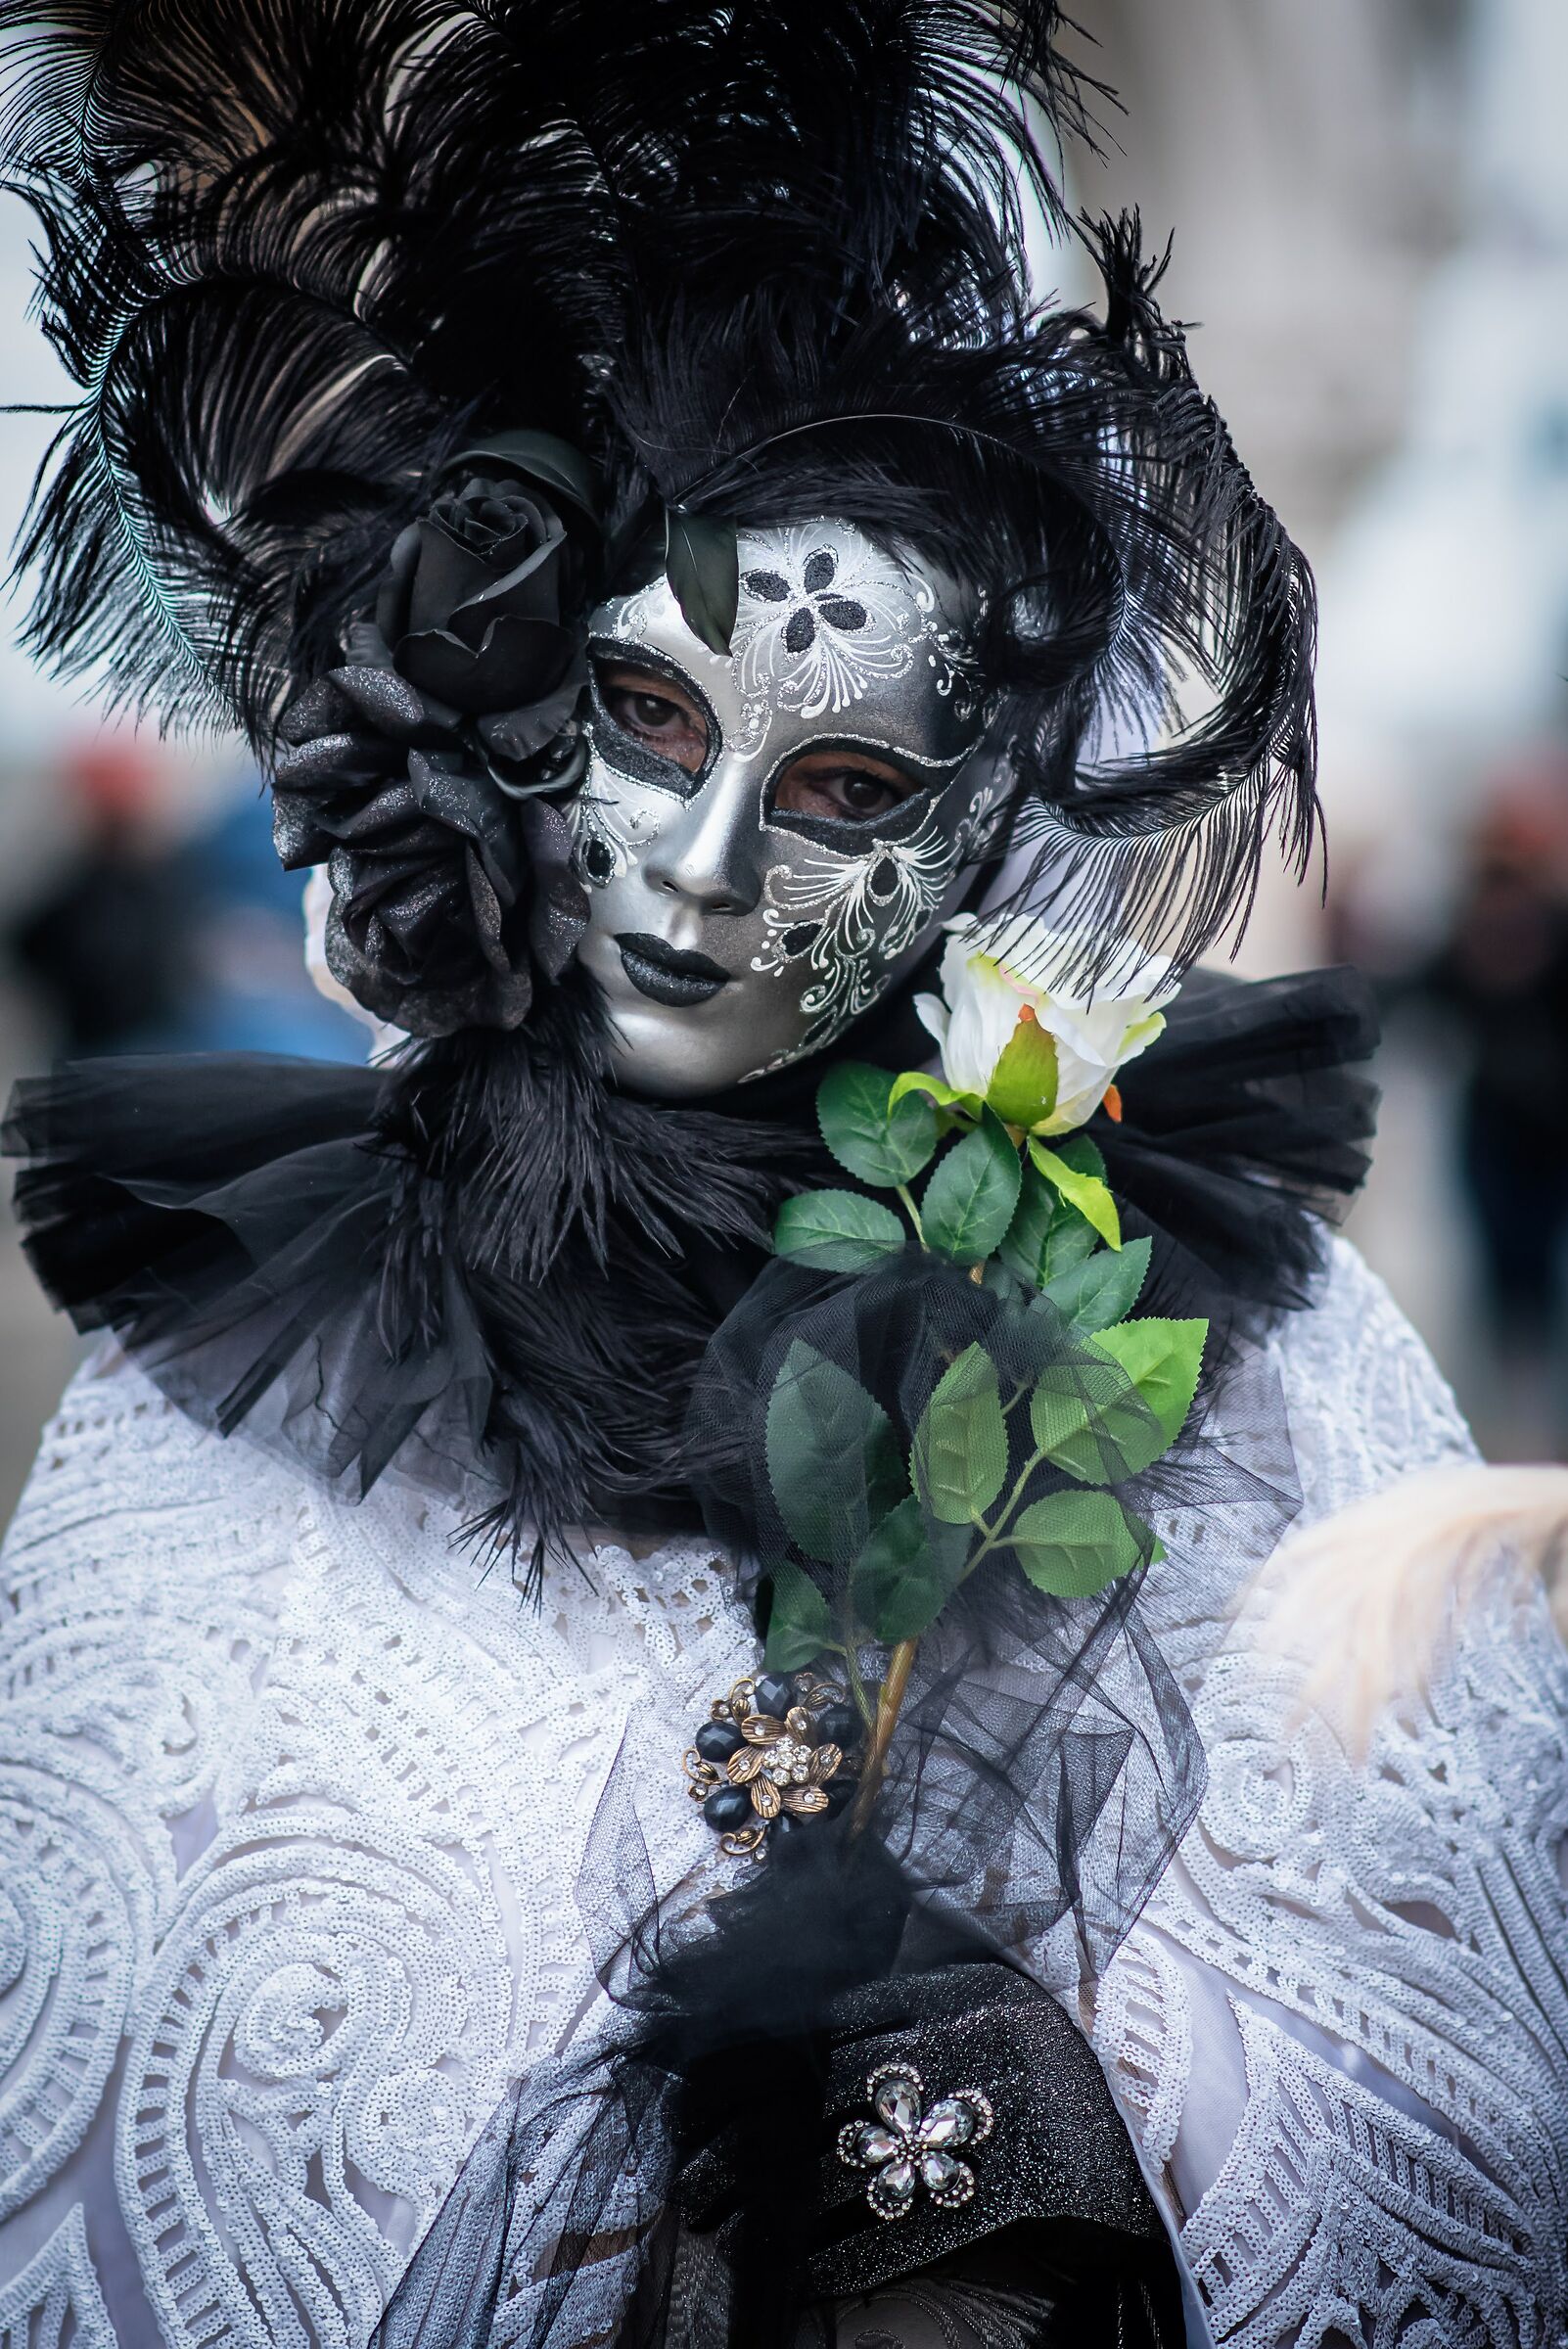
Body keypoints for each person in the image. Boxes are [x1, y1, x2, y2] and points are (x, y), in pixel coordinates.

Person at [0, 6, 1562, 2347]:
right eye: (648, 721)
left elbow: (1399, 2101)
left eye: (840, 791)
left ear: (972, 830)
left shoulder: (1250, 1361)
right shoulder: (222, 1412)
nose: (709, 868)